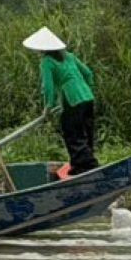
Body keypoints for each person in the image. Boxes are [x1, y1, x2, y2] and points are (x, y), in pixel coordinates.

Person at [26, 27, 99, 177]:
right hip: (87, 97)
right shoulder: (69, 56)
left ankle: (86, 166)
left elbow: (48, 87)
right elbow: (88, 73)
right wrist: (88, 90)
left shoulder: (47, 61)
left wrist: (48, 106)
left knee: (72, 133)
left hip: (71, 99)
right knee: (86, 132)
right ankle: (81, 165)